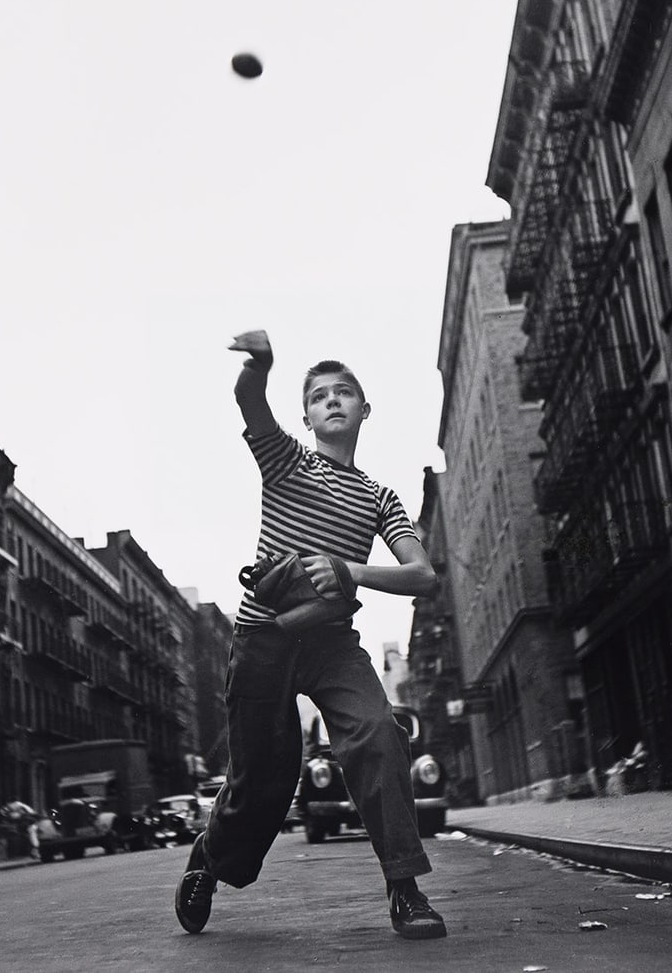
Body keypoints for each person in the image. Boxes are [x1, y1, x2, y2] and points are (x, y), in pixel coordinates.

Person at [174, 329, 447, 941]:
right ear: (306, 418)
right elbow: (249, 401)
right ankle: (209, 858)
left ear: (364, 409)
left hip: (331, 644)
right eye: (319, 396)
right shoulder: (288, 461)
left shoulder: (379, 497)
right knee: (262, 783)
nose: (332, 401)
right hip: (263, 638)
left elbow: (423, 576)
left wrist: (350, 571)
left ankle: (405, 888)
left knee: (379, 732)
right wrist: (260, 364)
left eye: (343, 392)